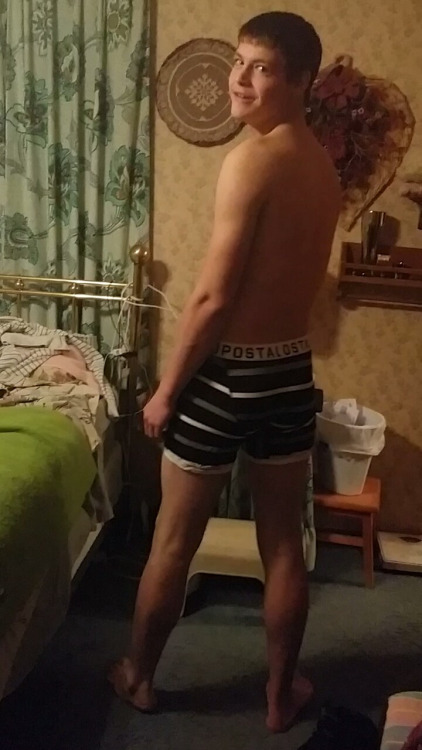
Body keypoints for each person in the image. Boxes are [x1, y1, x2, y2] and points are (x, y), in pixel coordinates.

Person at [109, 11, 341, 733]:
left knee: (173, 540)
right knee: (283, 543)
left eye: (261, 68)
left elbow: (211, 298)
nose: (239, 79)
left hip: (225, 374)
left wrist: (166, 391)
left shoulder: (251, 160)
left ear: (301, 80)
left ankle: (138, 678)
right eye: (239, 62)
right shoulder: (321, 165)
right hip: (289, 372)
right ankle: (280, 693)